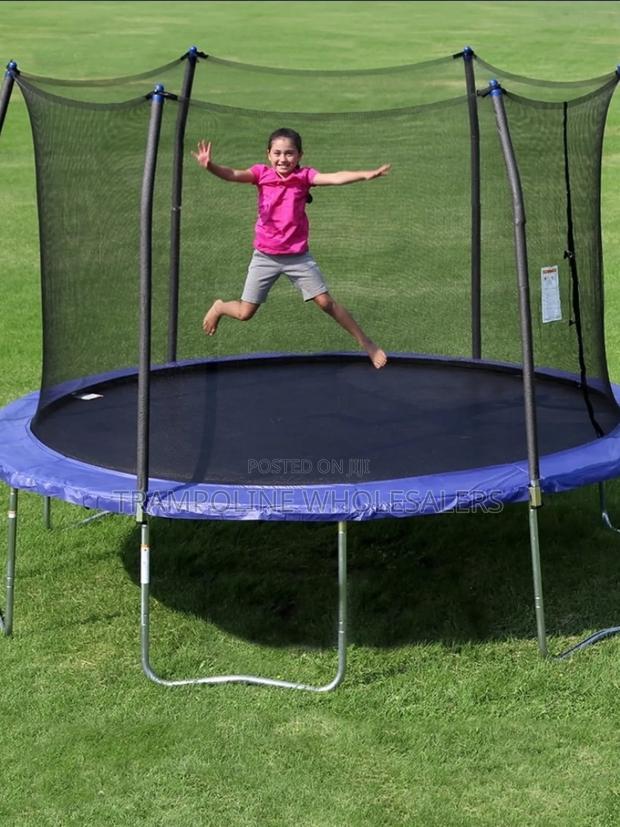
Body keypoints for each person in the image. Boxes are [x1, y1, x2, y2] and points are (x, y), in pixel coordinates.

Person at [193, 128, 390, 369]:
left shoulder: (305, 177)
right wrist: (210, 166)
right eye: (277, 153)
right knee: (245, 313)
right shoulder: (260, 174)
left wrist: (366, 175)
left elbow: (335, 177)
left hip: (297, 257)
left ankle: (367, 343)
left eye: (289, 153)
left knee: (326, 303)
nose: (283, 159)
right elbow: (233, 174)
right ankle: (220, 306)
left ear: (299, 156)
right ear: (268, 154)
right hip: (265, 256)